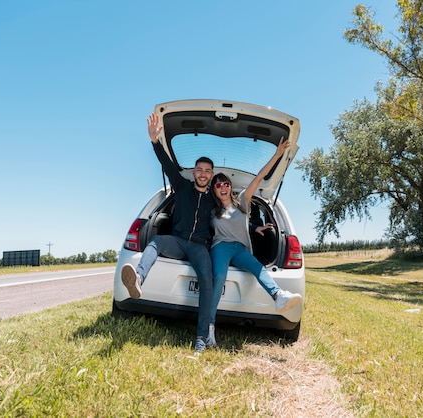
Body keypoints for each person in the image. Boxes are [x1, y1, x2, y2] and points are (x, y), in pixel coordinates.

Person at [120, 112, 216, 354]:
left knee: (207, 282)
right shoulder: (181, 187)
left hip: (200, 248)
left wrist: (256, 226)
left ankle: (201, 339)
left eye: (207, 171)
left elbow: (235, 211)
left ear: (211, 176)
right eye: (200, 169)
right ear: (194, 172)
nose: (203, 173)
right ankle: (139, 279)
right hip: (178, 242)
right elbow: (167, 164)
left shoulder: (215, 199)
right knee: (155, 241)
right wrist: (155, 141)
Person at [207, 137, 302, 347]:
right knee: (219, 277)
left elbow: (259, 178)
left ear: (230, 187)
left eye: (225, 183)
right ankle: (209, 328)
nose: (222, 187)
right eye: (218, 184)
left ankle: (279, 296)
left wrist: (277, 154)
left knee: (258, 268)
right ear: (214, 189)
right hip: (220, 248)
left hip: (240, 248)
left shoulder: (242, 201)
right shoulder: (212, 210)